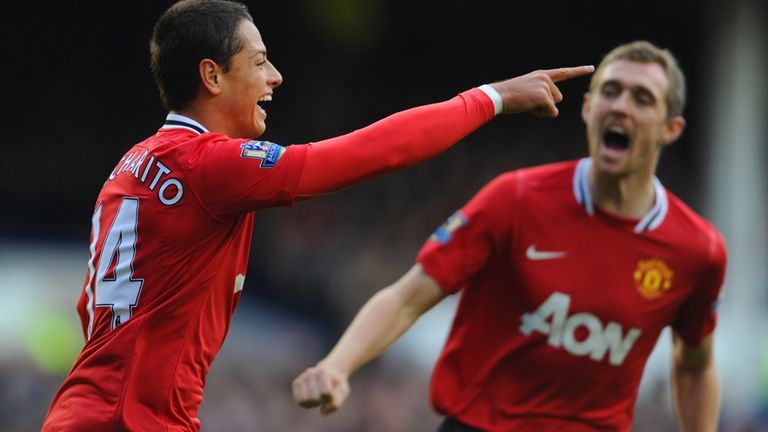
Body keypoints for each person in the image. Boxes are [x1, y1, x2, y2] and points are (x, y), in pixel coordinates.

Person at [40, 0, 593, 430]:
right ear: (212, 76)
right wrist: (489, 98)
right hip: (133, 421)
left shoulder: (130, 167)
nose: (275, 76)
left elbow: (92, 304)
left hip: (82, 412)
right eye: (259, 62)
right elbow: (370, 153)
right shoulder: (207, 164)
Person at [293, 40, 726, 432]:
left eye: (642, 98)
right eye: (610, 93)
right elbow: (409, 296)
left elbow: (694, 365)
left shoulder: (697, 250)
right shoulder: (516, 199)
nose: (621, 107)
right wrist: (338, 365)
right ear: (588, 108)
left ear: (670, 128)